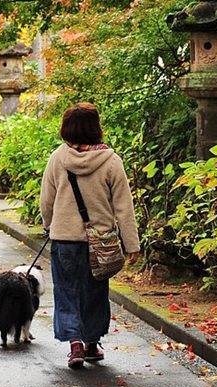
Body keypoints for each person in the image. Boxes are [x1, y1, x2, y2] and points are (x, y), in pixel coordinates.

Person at [40, 102, 140, 369]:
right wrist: (131, 244)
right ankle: (92, 343)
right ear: (96, 128)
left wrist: (50, 225)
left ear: (67, 128)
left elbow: (46, 201)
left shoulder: (57, 159)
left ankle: (74, 345)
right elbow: (123, 206)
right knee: (95, 292)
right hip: (101, 243)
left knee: (67, 292)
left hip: (65, 240)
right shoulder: (111, 161)